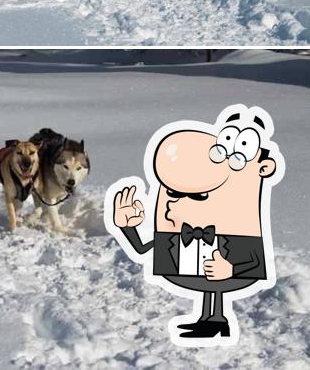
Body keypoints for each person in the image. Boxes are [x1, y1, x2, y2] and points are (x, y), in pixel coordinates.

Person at [109, 105, 282, 343]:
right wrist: (127, 226)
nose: (172, 203)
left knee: (215, 284)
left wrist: (231, 270)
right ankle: (210, 320)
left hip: (228, 269)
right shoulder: (175, 233)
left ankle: (216, 320)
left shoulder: (238, 233)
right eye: (171, 193)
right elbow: (142, 250)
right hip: (189, 273)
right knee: (209, 286)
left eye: (197, 196)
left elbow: (253, 263)